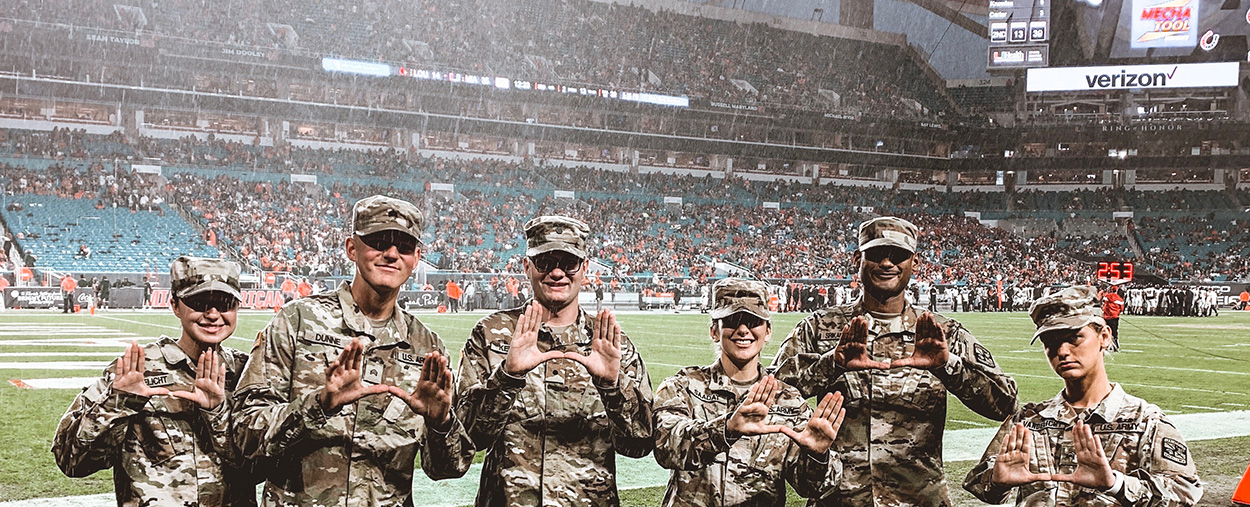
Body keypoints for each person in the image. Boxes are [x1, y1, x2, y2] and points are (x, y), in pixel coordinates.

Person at [232, 195, 473, 506]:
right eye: (377, 241)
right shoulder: (297, 321)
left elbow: (446, 469)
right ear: (351, 247)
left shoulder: (427, 348)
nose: (391, 253)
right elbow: (244, 435)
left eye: (404, 245)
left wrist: (440, 423)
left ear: (416, 258)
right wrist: (318, 404)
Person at [771, 216, 1019, 506]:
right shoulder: (819, 327)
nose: (887, 263)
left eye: (898, 255)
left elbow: (1006, 403)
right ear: (857, 260)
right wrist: (830, 365)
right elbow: (769, 396)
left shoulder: (942, 332)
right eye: (876, 254)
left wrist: (947, 366)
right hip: (838, 499)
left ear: (915, 262)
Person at [455, 215, 654, 507]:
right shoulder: (491, 334)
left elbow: (639, 444)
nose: (557, 272)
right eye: (545, 261)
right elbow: (464, 439)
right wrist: (506, 378)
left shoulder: (610, 343)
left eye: (569, 262)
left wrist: (612, 387)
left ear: (585, 268)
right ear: (527, 267)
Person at [964, 286, 1203, 506]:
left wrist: (1116, 484)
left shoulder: (1144, 421)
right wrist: (997, 482)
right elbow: (980, 483)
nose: (1062, 351)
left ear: (1104, 337)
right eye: (1050, 342)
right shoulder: (1028, 420)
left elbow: (1185, 494)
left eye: (1074, 337)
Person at [53, 257, 257, 506]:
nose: (213, 314)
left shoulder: (248, 372)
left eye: (224, 303)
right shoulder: (136, 369)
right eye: (199, 302)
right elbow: (71, 461)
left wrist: (217, 413)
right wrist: (119, 402)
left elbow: (263, 466)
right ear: (174, 305)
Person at [654, 278, 846, 506]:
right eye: (732, 320)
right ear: (714, 331)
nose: (743, 329)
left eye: (754, 321)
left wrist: (817, 455)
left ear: (768, 332)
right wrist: (726, 429)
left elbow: (810, 486)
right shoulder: (682, 386)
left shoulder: (789, 400)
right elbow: (666, 447)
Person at [1100, 284, 1125, 351]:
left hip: (1106, 317)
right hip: (1114, 317)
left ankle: (1106, 346)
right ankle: (1115, 346)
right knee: (1114, 333)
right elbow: (1122, 309)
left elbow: (1103, 304)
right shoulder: (1119, 299)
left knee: (1106, 332)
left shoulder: (1107, 297)